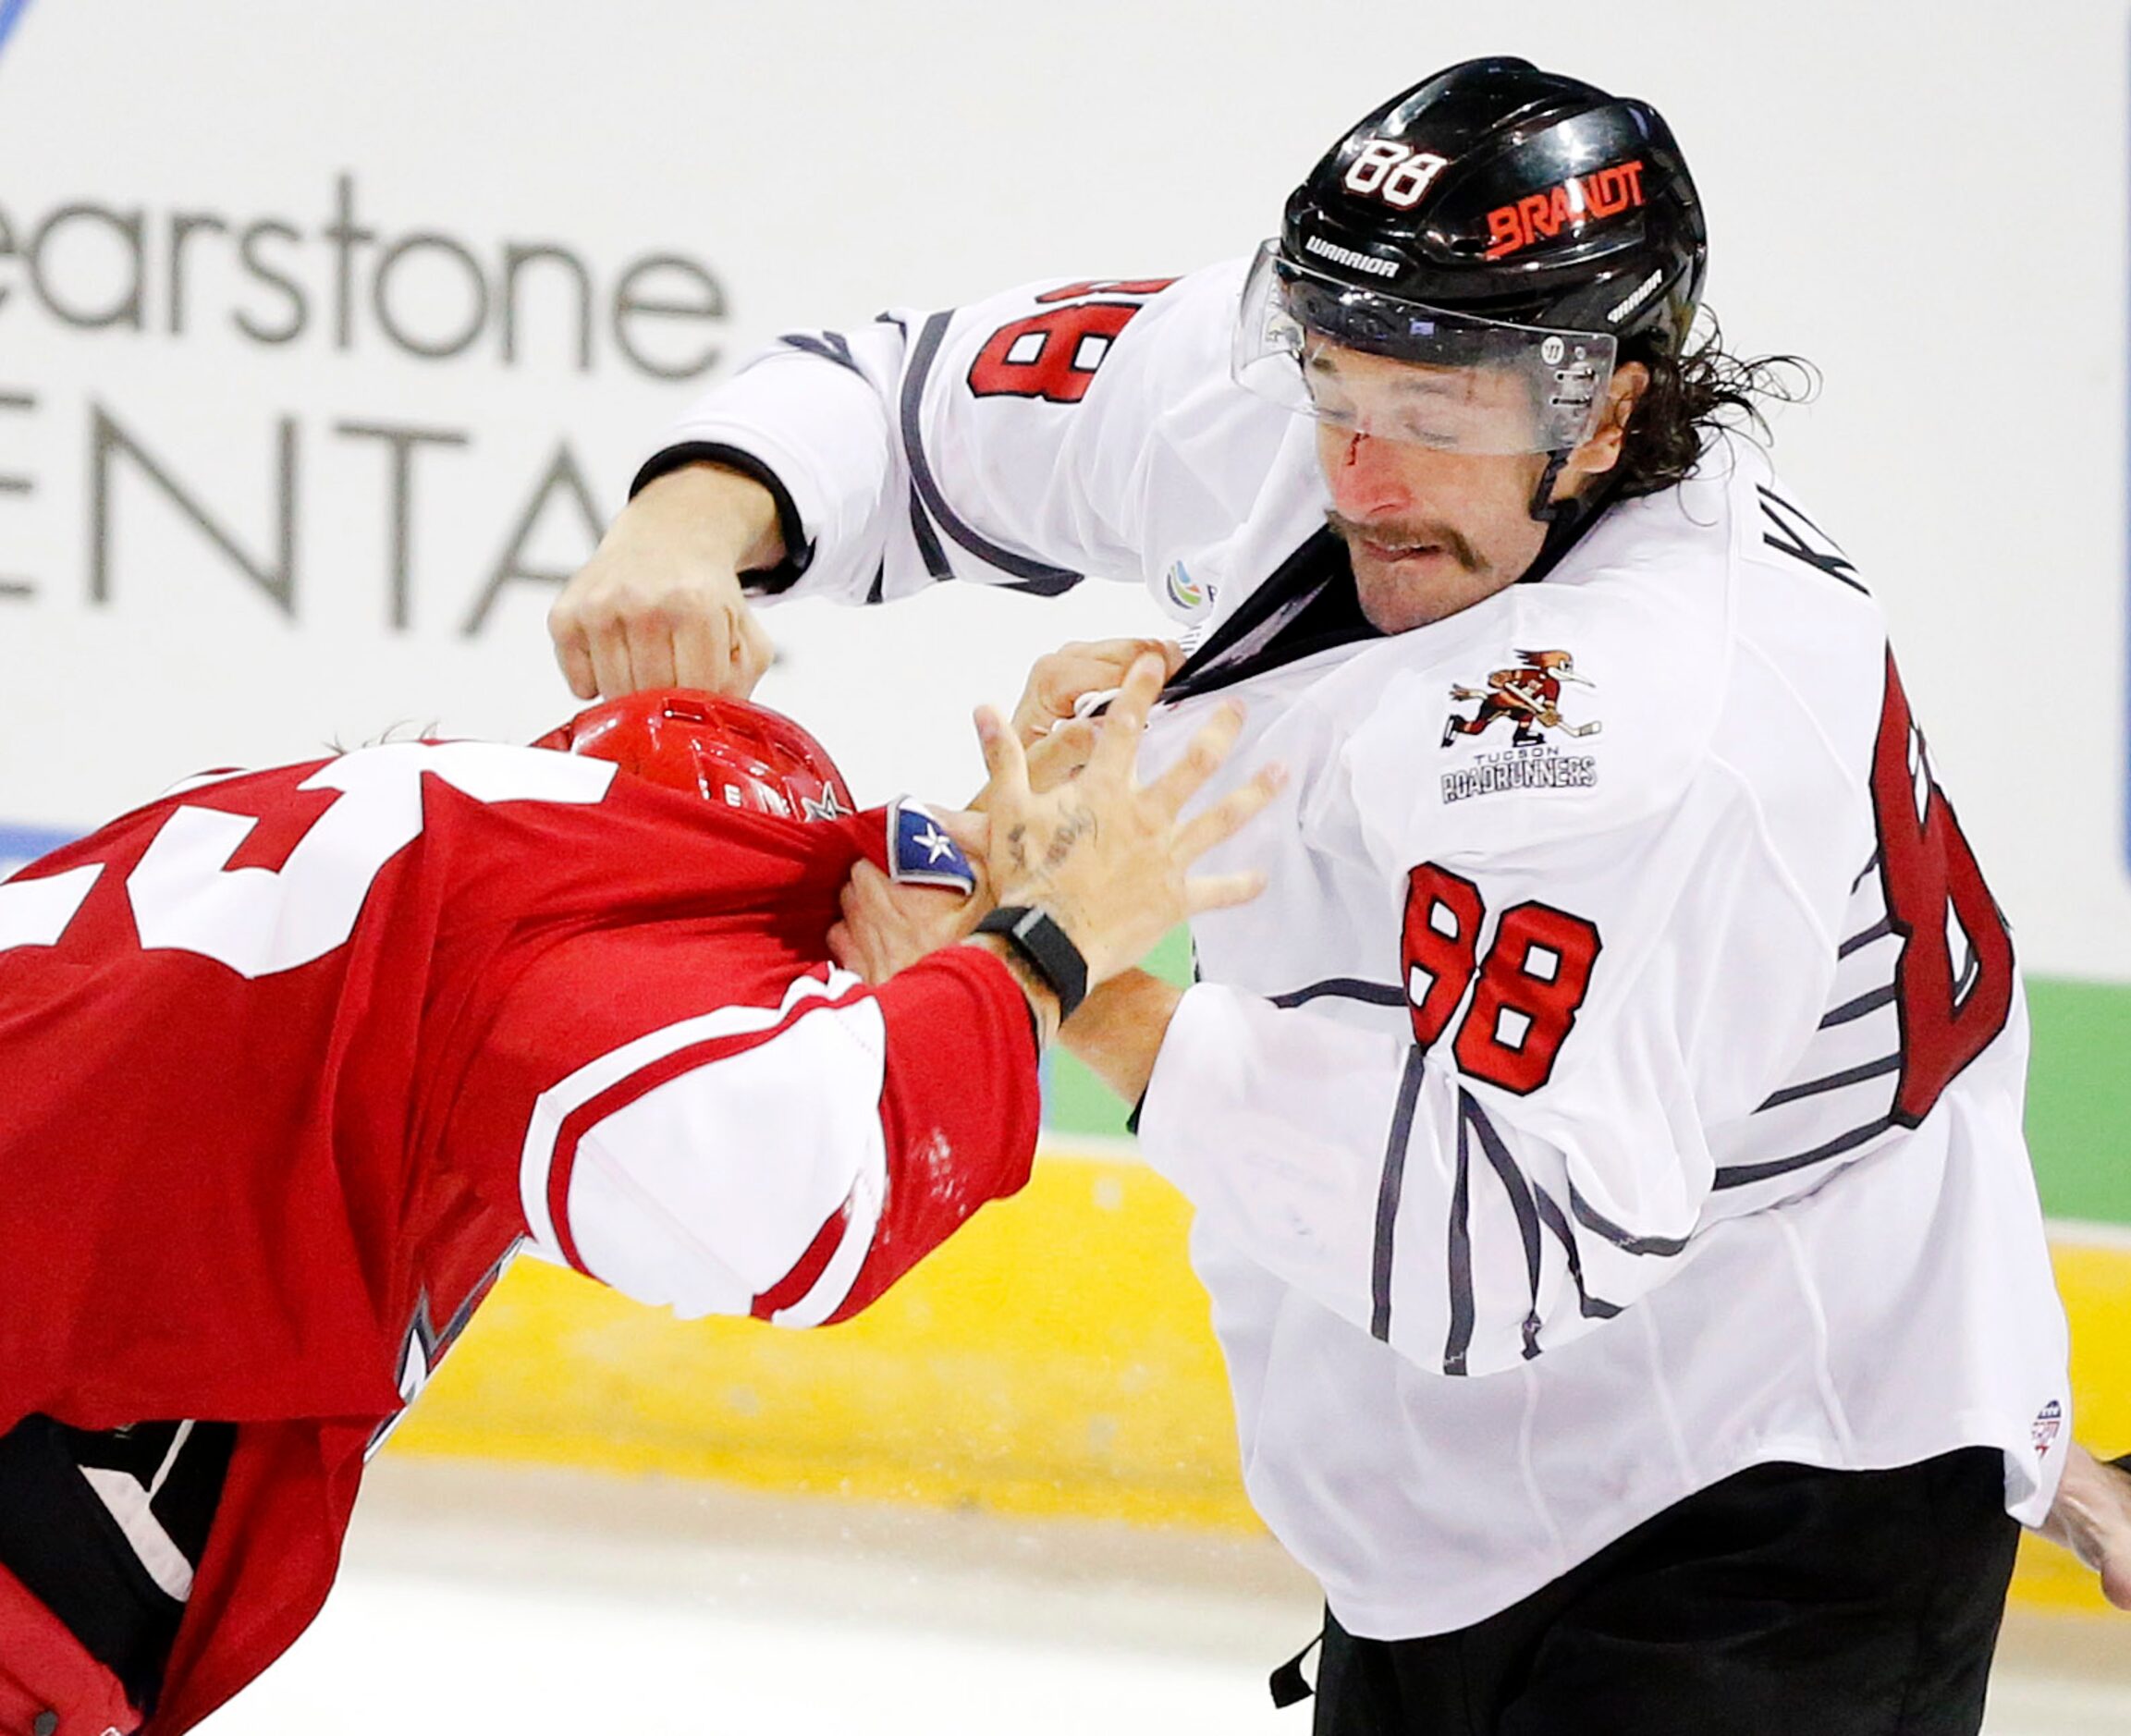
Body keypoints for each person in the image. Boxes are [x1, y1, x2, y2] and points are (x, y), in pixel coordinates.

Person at [547, 55, 2076, 1733]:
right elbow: (906, 400)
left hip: (1780, 1468)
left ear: (1612, 408)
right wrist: (688, 529)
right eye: (1338, 382)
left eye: (1436, 415)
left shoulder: (1665, 719)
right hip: (1435, 1488)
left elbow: (1496, 1249)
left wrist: (1063, 971)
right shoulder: (1289, 395)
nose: (1358, 469)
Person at [0, 664, 1277, 1736]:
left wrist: (936, 911)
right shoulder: (537, 946)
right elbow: (774, 1198)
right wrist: (1041, 954)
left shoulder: (359, 859)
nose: (782, 1006)